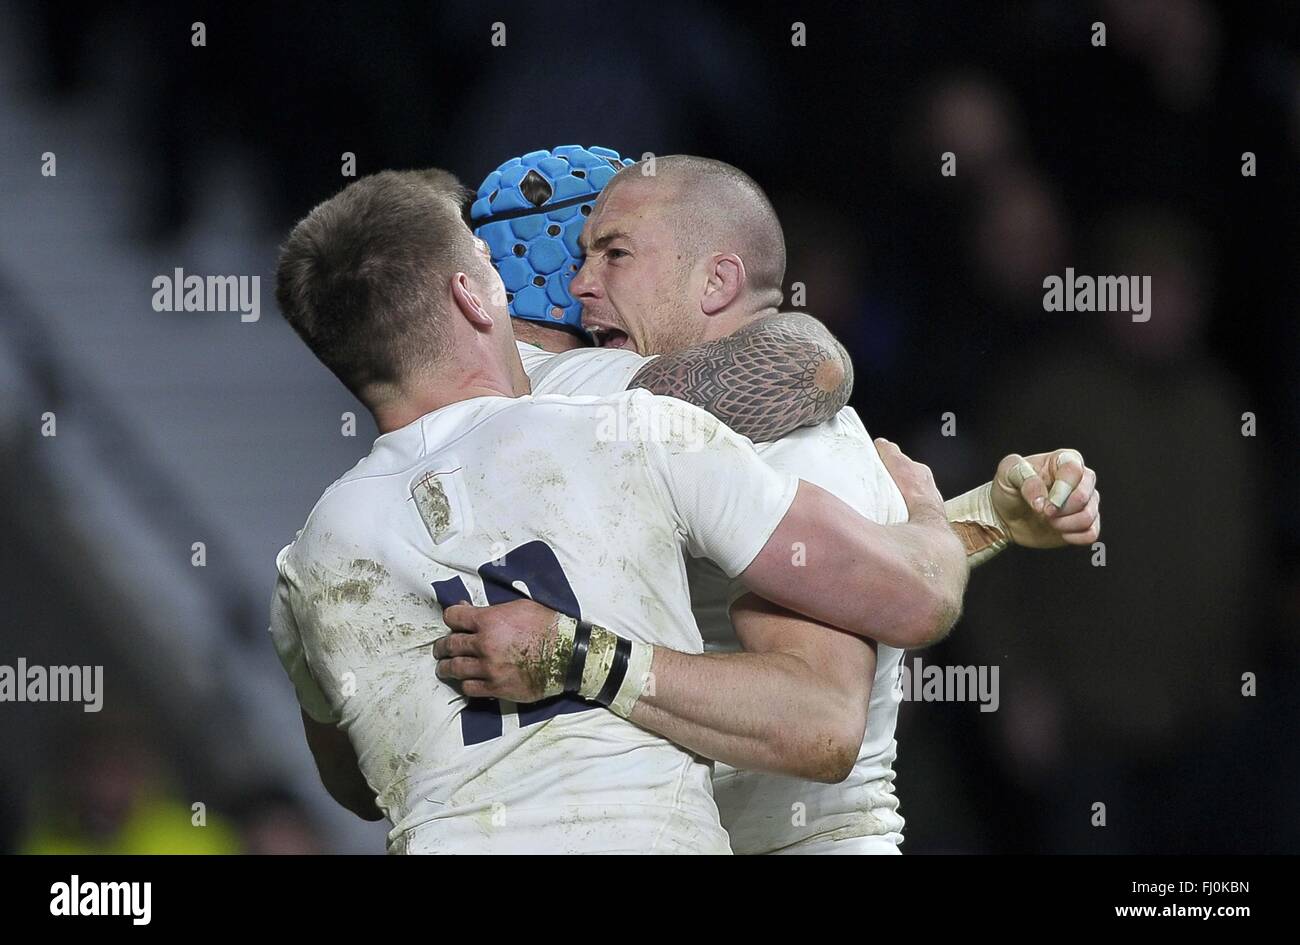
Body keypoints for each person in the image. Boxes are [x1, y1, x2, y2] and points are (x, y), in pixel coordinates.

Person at [269, 168, 970, 853]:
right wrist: (935, 523)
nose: (575, 286)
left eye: (613, 253)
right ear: (473, 297)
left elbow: (358, 783)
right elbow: (880, 641)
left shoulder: (309, 564)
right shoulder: (625, 419)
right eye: (490, 263)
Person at [450, 152, 1099, 854]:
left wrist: (581, 656)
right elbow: (856, 554)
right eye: (578, 256)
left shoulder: (787, 439)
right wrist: (965, 525)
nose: (578, 286)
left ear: (717, 279)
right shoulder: (641, 406)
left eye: (615, 255)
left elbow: (821, 720)